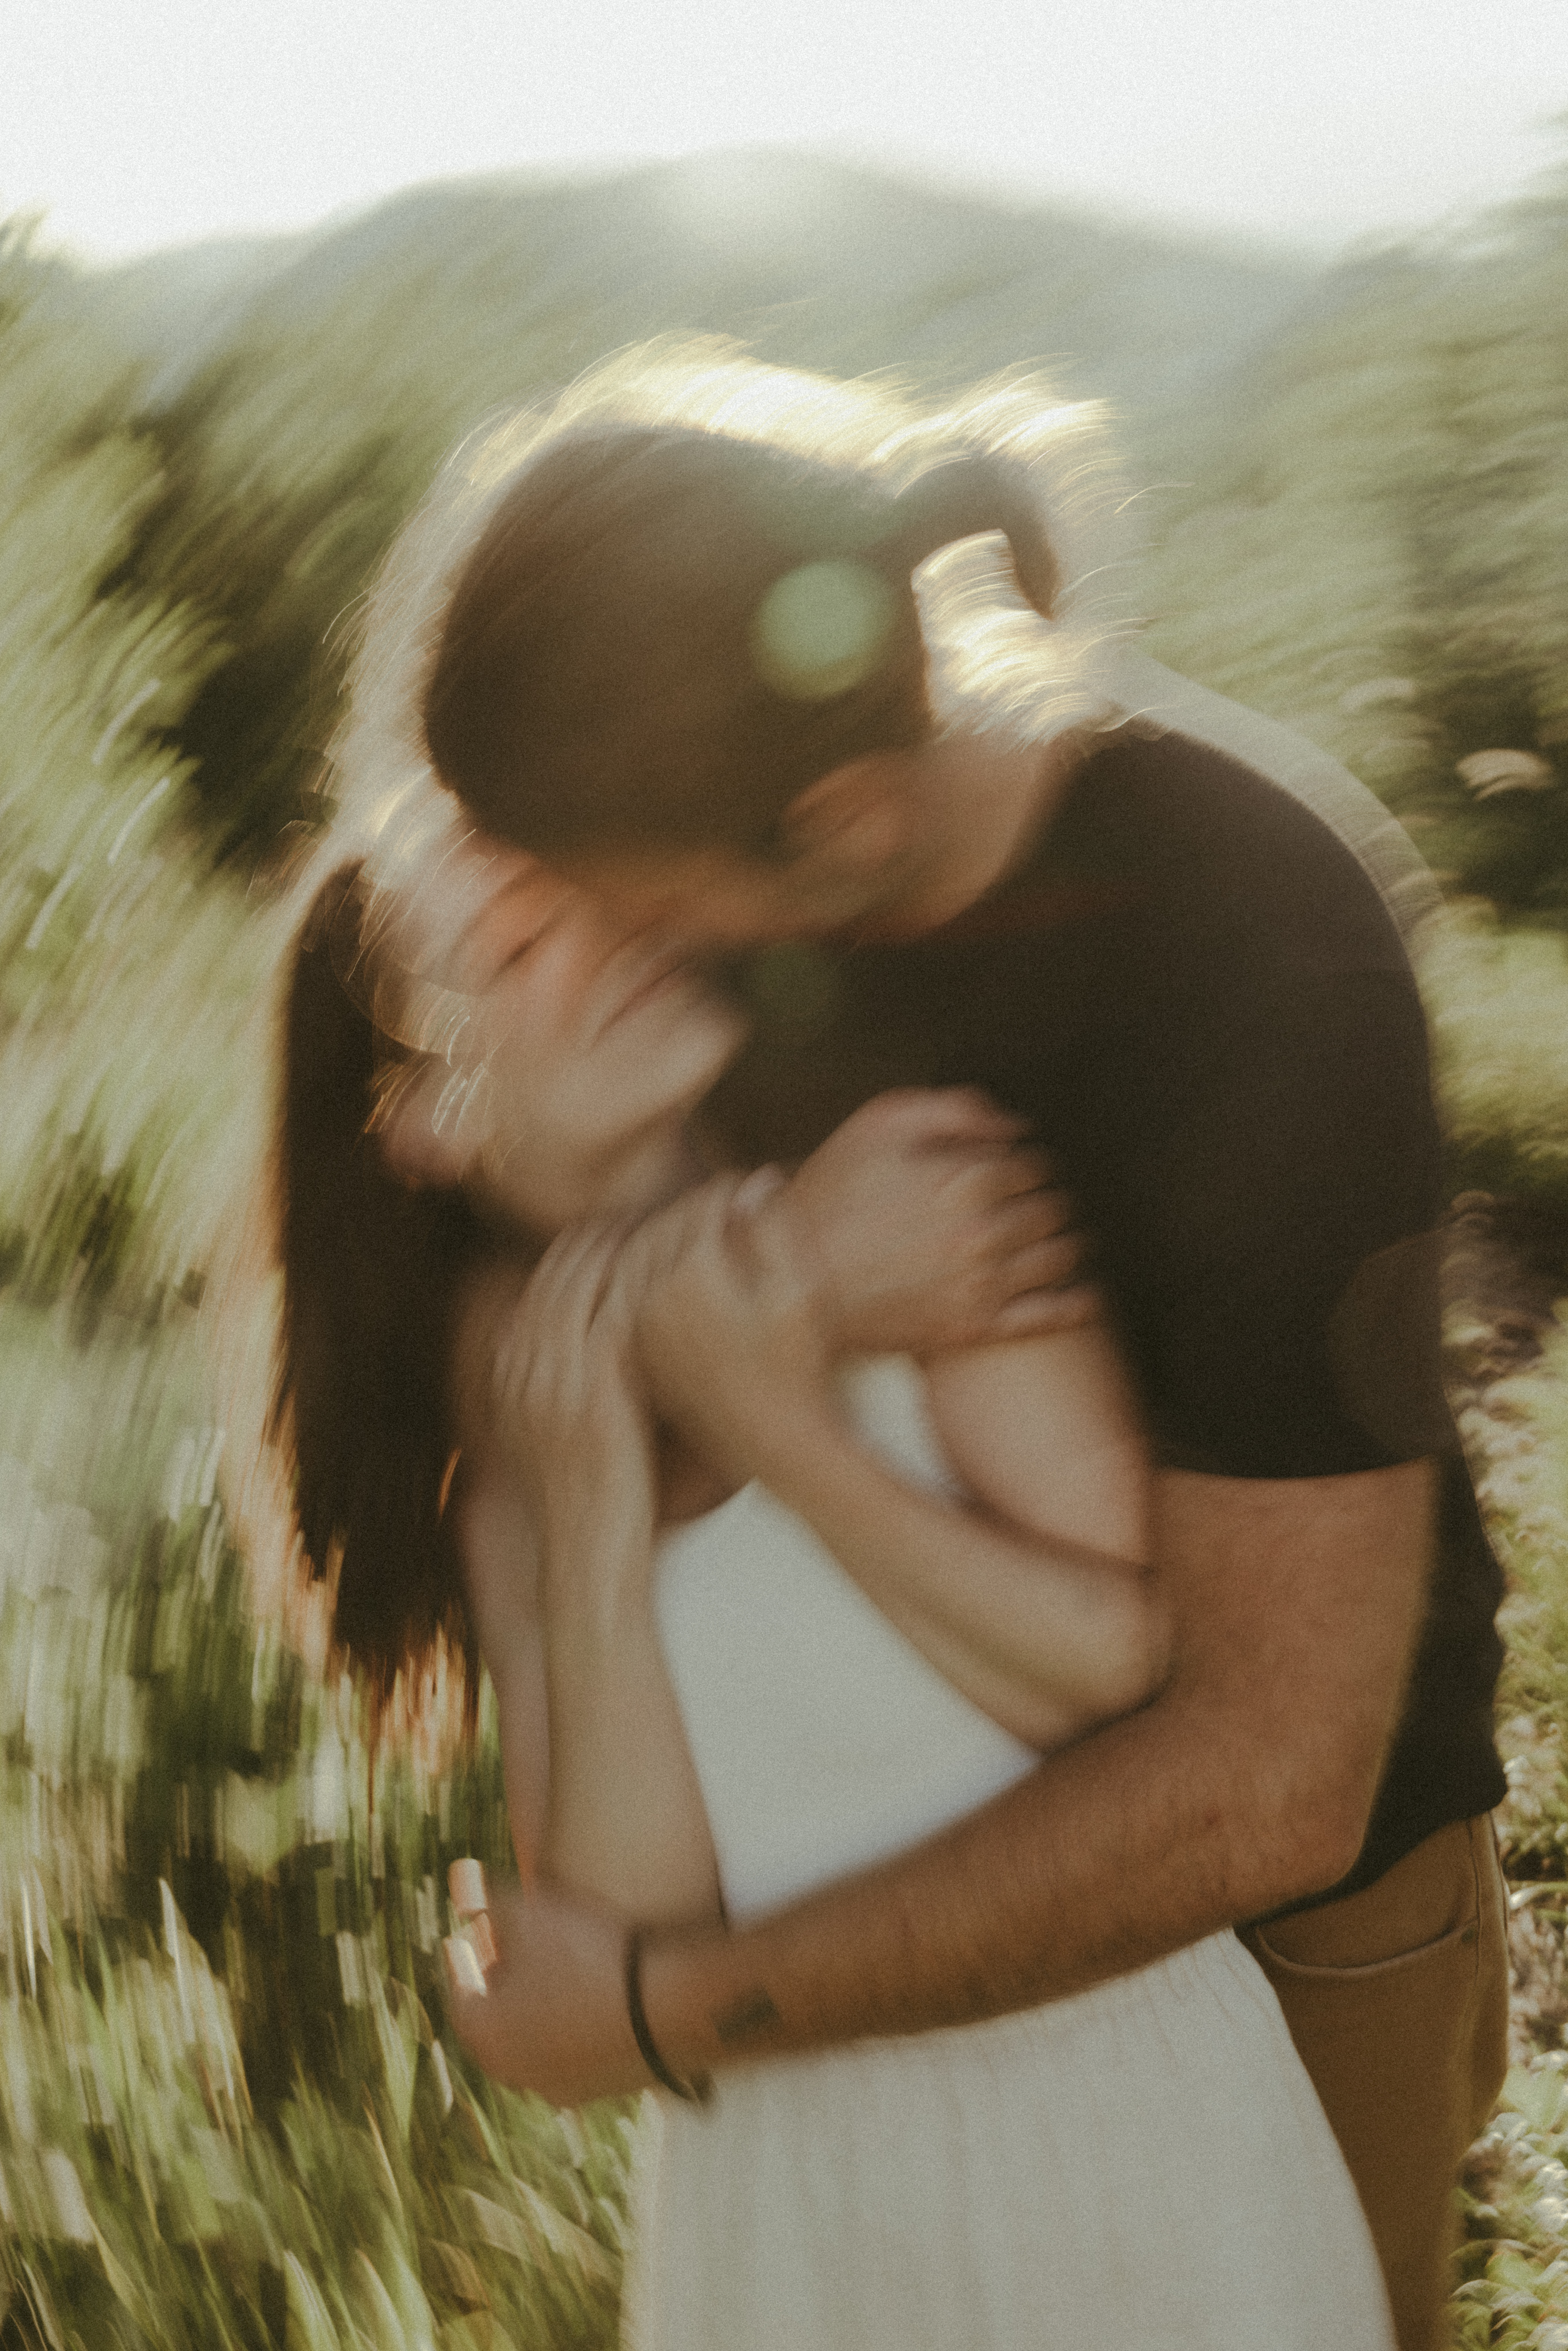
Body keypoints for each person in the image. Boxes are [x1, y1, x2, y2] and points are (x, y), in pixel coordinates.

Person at [363, 342, 1507, 2351]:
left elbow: (1263, 1781)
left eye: (624, 913)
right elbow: (551, 1198)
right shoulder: (718, 874)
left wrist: (655, 2013)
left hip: (1290, 1931)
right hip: (872, 1970)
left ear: (837, 821)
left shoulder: (1249, 940)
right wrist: (715, 1269)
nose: (604, 951)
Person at [274, 829, 1397, 2347]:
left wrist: (783, 1435)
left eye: (608, 898)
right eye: (524, 950)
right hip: (791, 2187)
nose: (618, 945)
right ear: (412, 1115)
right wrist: (595, 1502)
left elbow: (1116, 1675)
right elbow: (642, 1912)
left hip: (1112, 2119)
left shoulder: (918, 1197)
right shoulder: (523, 1429)